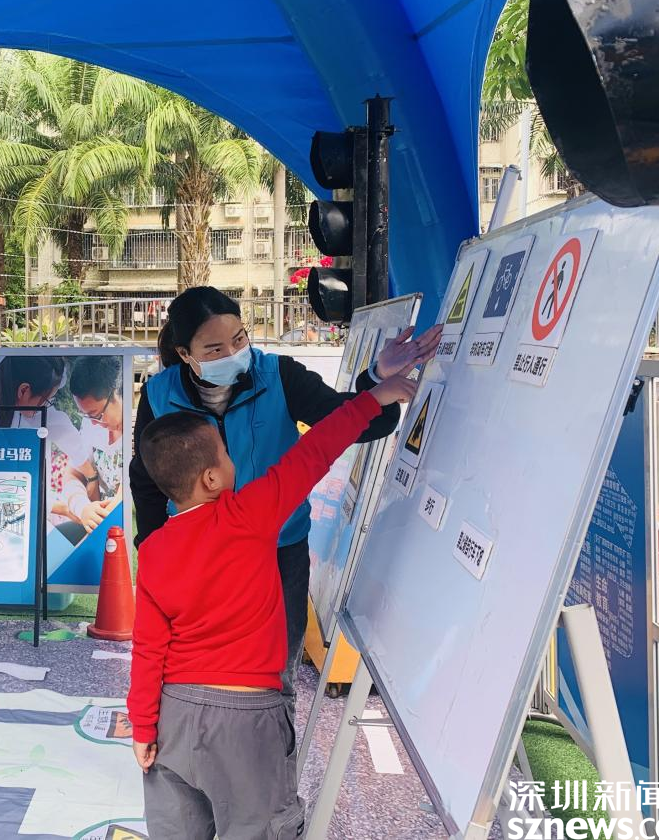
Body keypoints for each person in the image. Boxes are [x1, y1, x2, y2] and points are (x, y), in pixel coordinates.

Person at [129, 286, 441, 818]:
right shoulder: (158, 394)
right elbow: (147, 479)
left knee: (275, 677)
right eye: (215, 349)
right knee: (193, 670)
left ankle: (272, 788)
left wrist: (375, 384)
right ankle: (242, 796)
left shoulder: (278, 375)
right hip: (196, 563)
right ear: (184, 354)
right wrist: (164, 551)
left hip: (275, 552)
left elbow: (336, 429)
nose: (234, 353)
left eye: (239, 338)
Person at [59, 356, 124, 539]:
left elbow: (126, 495)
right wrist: (82, 507)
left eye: (96, 414)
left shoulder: (138, 430)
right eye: (87, 416)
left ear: (117, 394)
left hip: (120, 526)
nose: (94, 423)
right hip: (96, 520)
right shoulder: (91, 426)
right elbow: (73, 474)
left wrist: (98, 518)